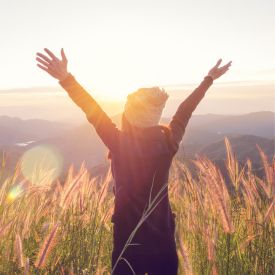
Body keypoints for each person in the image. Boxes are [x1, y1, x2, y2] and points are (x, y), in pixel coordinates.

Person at [36, 48, 231, 275]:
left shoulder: (119, 143)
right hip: (162, 238)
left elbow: (93, 111)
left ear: (128, 115)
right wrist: (208, 79)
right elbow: (184, 111)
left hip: (128, 240)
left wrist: (66, 79)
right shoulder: (168, 142)